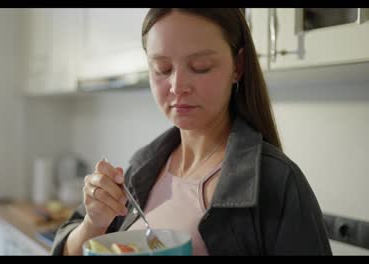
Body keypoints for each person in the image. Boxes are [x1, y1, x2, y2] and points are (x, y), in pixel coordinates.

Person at [51, 8, 332, 256]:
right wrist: (94, 222)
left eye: (200, 67)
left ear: (238, 65)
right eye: (162, 68)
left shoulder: (278, 182)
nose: (177, 85)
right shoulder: (142, 167)